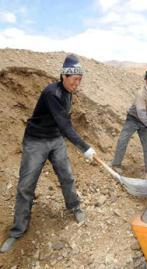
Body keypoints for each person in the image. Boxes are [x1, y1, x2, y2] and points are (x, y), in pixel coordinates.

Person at [0, 54, 96, 253]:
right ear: (63, 76)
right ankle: (17, 231)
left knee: (67, 176)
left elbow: (63, 124)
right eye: (74, 79)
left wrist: (78, 143)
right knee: (26, 186)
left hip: (55, 139)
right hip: (36, 141)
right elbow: (64, 124)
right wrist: (85, 147)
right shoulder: (52, 93)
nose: (77, 84)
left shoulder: (69, 93)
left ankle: (74, 207)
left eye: (80, 80)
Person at [110, 65, 147, 172]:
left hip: (145, 120)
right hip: (133, 118)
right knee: (123, 140)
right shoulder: (140, 94)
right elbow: (141, 113)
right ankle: (116, 164)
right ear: (146, 79)